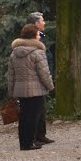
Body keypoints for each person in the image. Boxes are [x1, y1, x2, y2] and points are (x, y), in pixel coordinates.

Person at [7, 22, 54, 151]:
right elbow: (44, 73)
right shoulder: (37, 53)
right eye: (38, 34)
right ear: (33, 36)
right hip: (36, 90)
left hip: (20, 90)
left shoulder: (14, 53)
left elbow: (11, 76)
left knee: (23, 117)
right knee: (34, 117)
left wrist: (10, 92)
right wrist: (50, 86)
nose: (40, 36)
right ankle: (30, 143)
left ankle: (24, 142)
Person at [26, 11, 54, 144]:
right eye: (42, 20)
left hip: (42, 77)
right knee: (35, 109)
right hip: (35, 79)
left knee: (41, 108)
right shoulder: (32, 40)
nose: (44, 22)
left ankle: (41, 134)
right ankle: (35, 136)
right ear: (36, 23)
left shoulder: (41, 37)